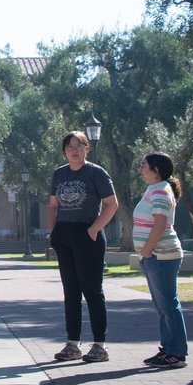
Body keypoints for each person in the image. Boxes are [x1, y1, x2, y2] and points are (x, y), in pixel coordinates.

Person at [48, 130, 119, 363]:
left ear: (87, 149)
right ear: (64, 151)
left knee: (92, 291)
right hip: (64, 234)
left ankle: (99, 345)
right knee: (71, 292)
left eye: (79, 146)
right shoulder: (59, 174)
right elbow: (52, 206)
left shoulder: (96, 173)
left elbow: (111, 204)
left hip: (88, 233)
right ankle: (72, 344)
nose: (74, 150)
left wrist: (94, 229)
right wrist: (54, 232)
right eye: (70, 147)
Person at [135, 152, 188, 369]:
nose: (141, 169)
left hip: (161, 256)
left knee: (168, 304)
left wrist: (147, 250)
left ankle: (177, 353)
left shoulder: (160, 192)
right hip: (153, 256)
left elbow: (160, 225)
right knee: (162, 306)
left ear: (155, 170)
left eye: (144, 165)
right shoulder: (154, 189)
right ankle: (167, 349)